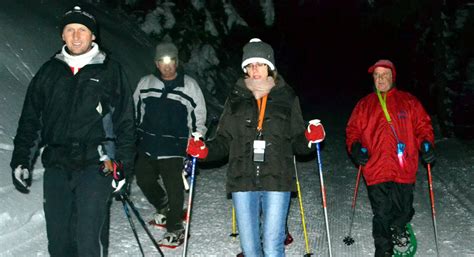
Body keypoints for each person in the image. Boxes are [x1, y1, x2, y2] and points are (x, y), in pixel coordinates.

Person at [10, 6, 136, 257]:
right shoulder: (49, 71)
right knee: (58, 240)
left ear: (93, 36)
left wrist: (123, 165)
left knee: (87, 238)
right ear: (62, 36)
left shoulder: (110, 71)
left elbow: (125, 123)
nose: (76, 36)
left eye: (82, 30)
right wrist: (21, 159)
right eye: (70, 30)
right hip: (57, 163)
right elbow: (30, 120)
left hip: (97, 163)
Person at [186, 38, 326, 257]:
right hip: (242, 180)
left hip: (277, 179)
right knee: (250, 250)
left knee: (272, 247)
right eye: (250, 65)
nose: (255, 70)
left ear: (270, 66)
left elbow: (297, 141)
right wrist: (204, 150)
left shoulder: (286, 96)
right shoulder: (235, 97)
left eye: (260, 64)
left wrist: (309, 138)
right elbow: (223, 140)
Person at [346, 59, 435, 257]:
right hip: (375, 168)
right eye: (377, 75)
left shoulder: (409, 101)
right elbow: (353, 130)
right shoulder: (365, 104)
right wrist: (355, 147)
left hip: (404, 168)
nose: (381, 79)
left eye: (385, 75)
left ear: (393, 77)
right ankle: (384, 250)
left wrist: (426, 143)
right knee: (382, 213)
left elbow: (423, 126)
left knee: (403, 210)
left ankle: (399, 226)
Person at [133, 41, 207, 248]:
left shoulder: (189, 85)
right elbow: (135, 111)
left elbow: (198, 116)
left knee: (174, 187)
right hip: (147, 145)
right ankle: (162, 205)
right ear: (157, 63)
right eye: (162, 61)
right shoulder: (146, 83)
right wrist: (133, 135)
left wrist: (196, 138)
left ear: (176, 62)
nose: (167, 66)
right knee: (143, 179)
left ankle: (175, 228)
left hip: (175, 147)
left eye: (171, 61)